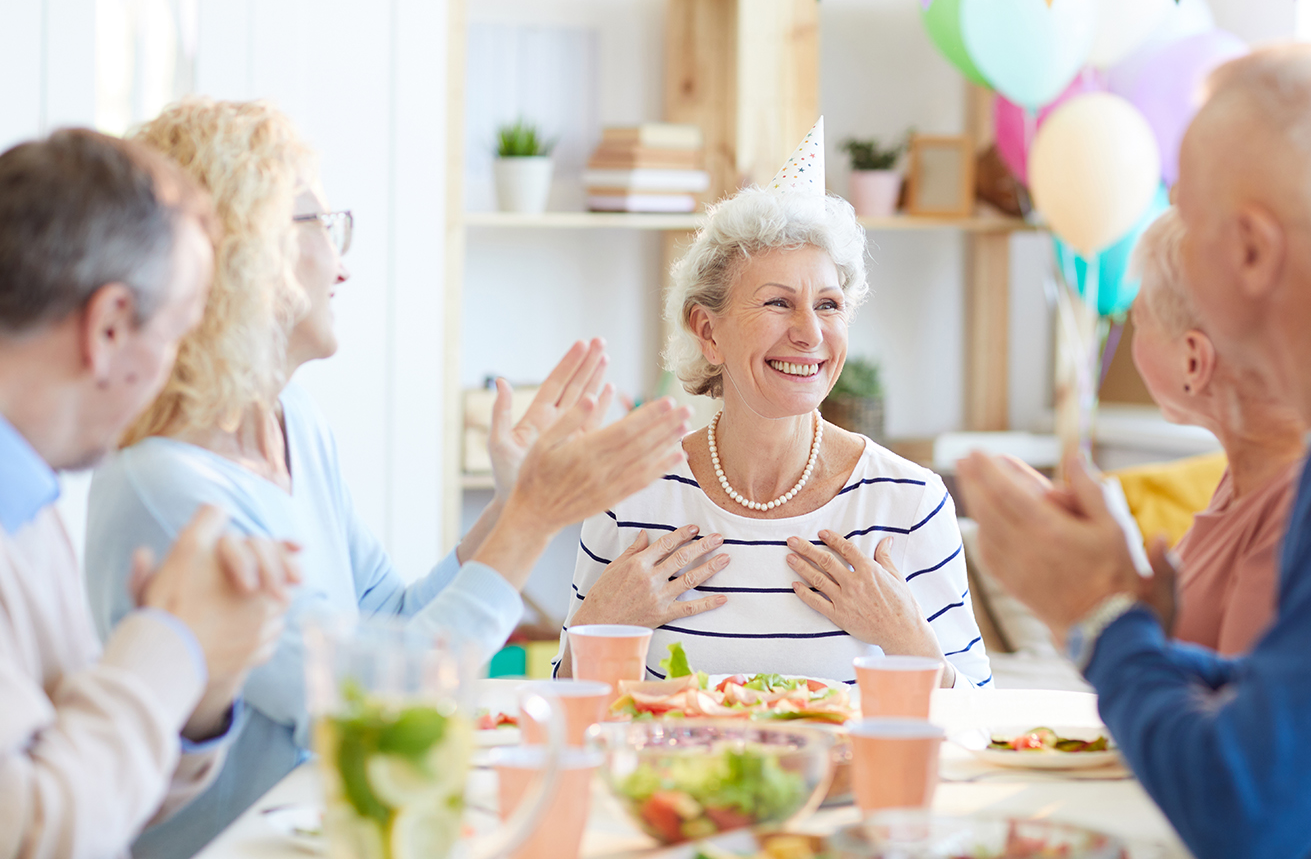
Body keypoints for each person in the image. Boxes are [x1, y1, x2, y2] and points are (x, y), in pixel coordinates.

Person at [84, 99, 692, 859]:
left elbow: (390, 627)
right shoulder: (165, 490)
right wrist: (533, 518)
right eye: (319, 222)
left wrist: (511, 505)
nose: (344, 261)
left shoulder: (294, 422)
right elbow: (371, 703)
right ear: (244, 252)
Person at [957, 45, 1311, 858]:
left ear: (1248, 250)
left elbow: (1245, 808)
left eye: (1184, 212)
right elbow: (1293, 721)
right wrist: (1137, 622)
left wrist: (1099, 616)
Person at [558, 121, 990, 688]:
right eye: (779, 302)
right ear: (708, 331)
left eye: (829, 304)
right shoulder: (628, 494)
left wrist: (907, 641)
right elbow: (566, 706)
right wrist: (597, 623)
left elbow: (978, 721)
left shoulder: (908, 502)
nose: (810, 333)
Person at [0, 130, 298, 859]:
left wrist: (203, 684)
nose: (169, 373)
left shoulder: (30, 506)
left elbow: (92, 792)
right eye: (172, 335)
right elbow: (37, 834)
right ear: (106, 328)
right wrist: (173, 642)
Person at [1128, 207, 1304, 654]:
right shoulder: (1242, 476)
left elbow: (1235, 711)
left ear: (1193, 361)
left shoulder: (1292, 505)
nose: (1134, 341)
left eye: (1138, 323)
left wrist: (1096, 610)